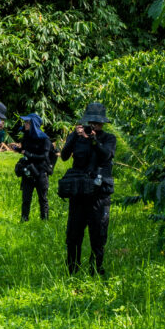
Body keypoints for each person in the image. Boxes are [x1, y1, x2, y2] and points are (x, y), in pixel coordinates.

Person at [58, 101, 116, 276]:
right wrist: (75, 137)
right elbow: (64, 156)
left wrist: (93, 140)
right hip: (79, 193)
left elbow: (106, 157)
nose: (94, 126)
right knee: (73, 235)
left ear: (103, 124)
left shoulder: (108, 139)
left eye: (97, 123)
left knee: (98, 235)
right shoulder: (77, 136)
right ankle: (72, 270)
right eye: (91, 123)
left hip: (99, 195)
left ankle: (96, 270)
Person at [12, 113, 56, 223]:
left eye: (27, 122)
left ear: (34, 124)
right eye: (25, 122)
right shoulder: (27, 136)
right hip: (28, 170)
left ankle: (44, 221)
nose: (25, 124)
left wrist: (28, 154)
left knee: (43, 198)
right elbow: (24, 149)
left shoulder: (44, 139)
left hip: (41, 171)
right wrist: (18, 149)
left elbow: (45, 156)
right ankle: (24, 220)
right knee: (26, 199)